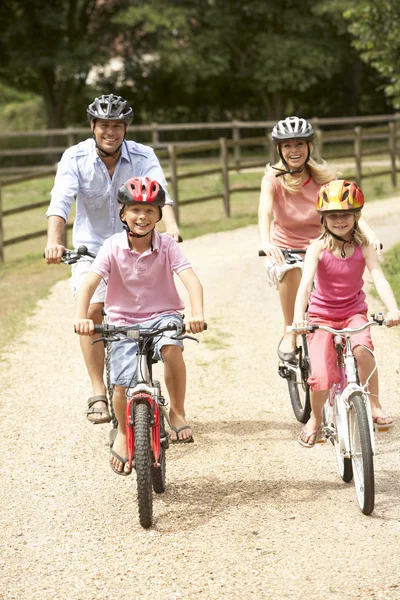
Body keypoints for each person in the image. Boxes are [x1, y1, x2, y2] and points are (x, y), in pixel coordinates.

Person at [44, 93, 180, 425]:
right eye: (104, 125)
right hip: (91, 249)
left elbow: (160, 192)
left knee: (151, 312)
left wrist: (172, 228)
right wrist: (54, 241)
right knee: (91, 309)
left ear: (125, 128)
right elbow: (61, 201)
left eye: (117, 126)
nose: (110, 132)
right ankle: (98, 392)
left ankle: (150, 381)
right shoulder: (74, 158)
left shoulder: (143, 155)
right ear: (93, 126)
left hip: (134, 245)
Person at [74, 176, 205, 474]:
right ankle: (122, 433)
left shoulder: (168, 246)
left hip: (164, 315)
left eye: (149, 210)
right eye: (134, 210)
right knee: (121, 386)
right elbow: (89, 284)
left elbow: (192, 281)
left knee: (172, 348)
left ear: (160, 214)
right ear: (122, 214)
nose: (142, 217)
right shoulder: (112, 246)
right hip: (122, 321)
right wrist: (82, 317)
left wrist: (196, 313)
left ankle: (178, 410)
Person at [258, 116, 380, 364]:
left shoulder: (323, 178)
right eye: (288, 145)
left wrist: (370, 234)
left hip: (322, 244)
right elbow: (265, 212)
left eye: (300, 144)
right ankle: (289, 329)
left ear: (309, 147)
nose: (294, 150)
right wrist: (266, 241)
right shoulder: (273, 179)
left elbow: (350, 208)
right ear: (280, 150)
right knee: (291, 271)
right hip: (286, 247)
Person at [292, 179, 399, 447]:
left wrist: (393, 309)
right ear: (323, 218)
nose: (339, 220)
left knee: (363, 350)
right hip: (321, 318)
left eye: (345, 214)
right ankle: (316, 419)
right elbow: (305, 284)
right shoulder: (317, 248)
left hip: (354, 314)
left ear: (356, 216)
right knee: (321, 376)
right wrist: (298, 318)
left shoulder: (363, 247)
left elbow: (379, 278)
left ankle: (374, 405)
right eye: (333, 215)